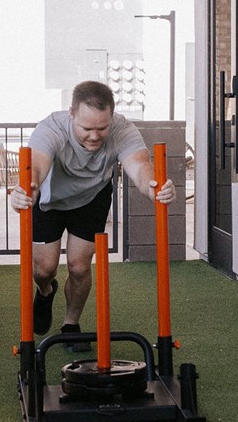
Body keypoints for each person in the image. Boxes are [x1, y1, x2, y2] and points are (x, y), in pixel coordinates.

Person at [11, 80, 175, 336]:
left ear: (111, 116)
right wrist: (25, 191)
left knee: (79, 266)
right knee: (44, 269)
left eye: (102, 128)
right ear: (71, 114)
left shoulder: (123, 130)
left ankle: (71, 324)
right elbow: (37, 165)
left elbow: (140, 167)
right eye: (86, 128)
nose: (95, 135)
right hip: (50, 200)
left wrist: (155, 188)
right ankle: (45, 291)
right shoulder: (51, 128)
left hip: (91, 198)